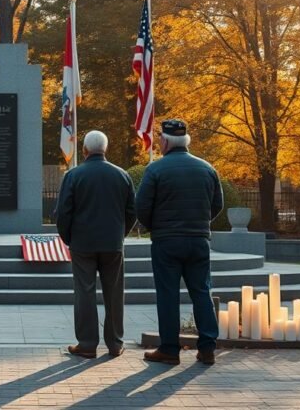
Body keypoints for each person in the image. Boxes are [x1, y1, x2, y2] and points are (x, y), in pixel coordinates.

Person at [137, 119, 224, 365]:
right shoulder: (207, 168)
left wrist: (156, 226)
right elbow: (217, 205)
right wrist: (199, 223)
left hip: (166, 242)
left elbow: (141, 207)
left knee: (167, 295)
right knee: (202, 292)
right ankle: (207, 348)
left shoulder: (155, 170)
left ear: (164, 141)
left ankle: (169, 349)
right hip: (198, 241)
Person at [54, 130, 137, 359]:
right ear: (105, 149)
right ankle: (115, 343)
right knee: (114, 293)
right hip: (112, 244)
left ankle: (88, 344)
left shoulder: (74, 175)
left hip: (83, 244)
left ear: (84, 150)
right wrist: (120, 234)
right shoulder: (122, 175)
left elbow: (63, 213)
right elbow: (132, 211)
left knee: (85, 292)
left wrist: (69, 238)